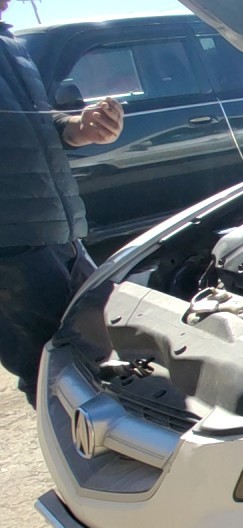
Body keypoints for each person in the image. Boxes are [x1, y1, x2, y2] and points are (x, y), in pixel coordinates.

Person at [0, 0, 123, 406]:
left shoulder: (9, 43)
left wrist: (77, 129)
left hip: (60, 229)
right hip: (12, 248)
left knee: (90, 346)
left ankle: (103, 444)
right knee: (50, 371)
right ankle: (83, 458)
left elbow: (34, 123)